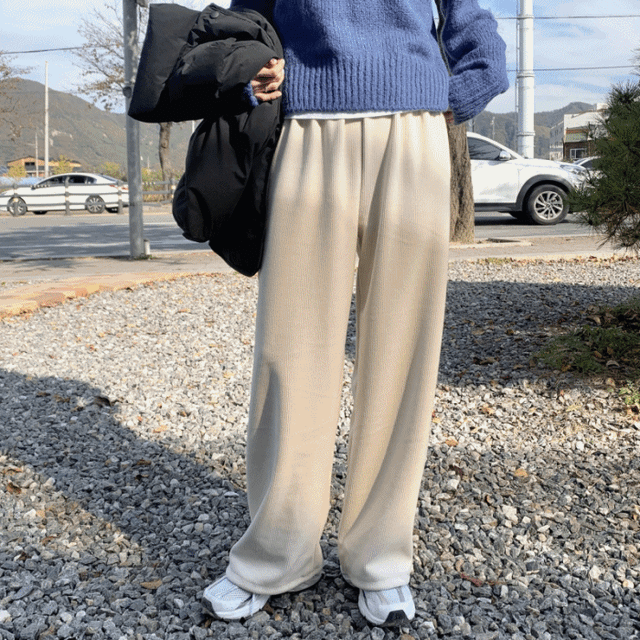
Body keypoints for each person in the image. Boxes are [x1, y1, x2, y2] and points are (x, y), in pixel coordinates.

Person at [202, 0, 508, 627]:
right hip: (307, 126)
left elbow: (472, 24)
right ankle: (278, 552)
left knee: (402, 348)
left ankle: (380, 556)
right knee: (290, 347)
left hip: (414, 128)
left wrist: (453, 93)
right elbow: (247, 20)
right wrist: (252, 73)